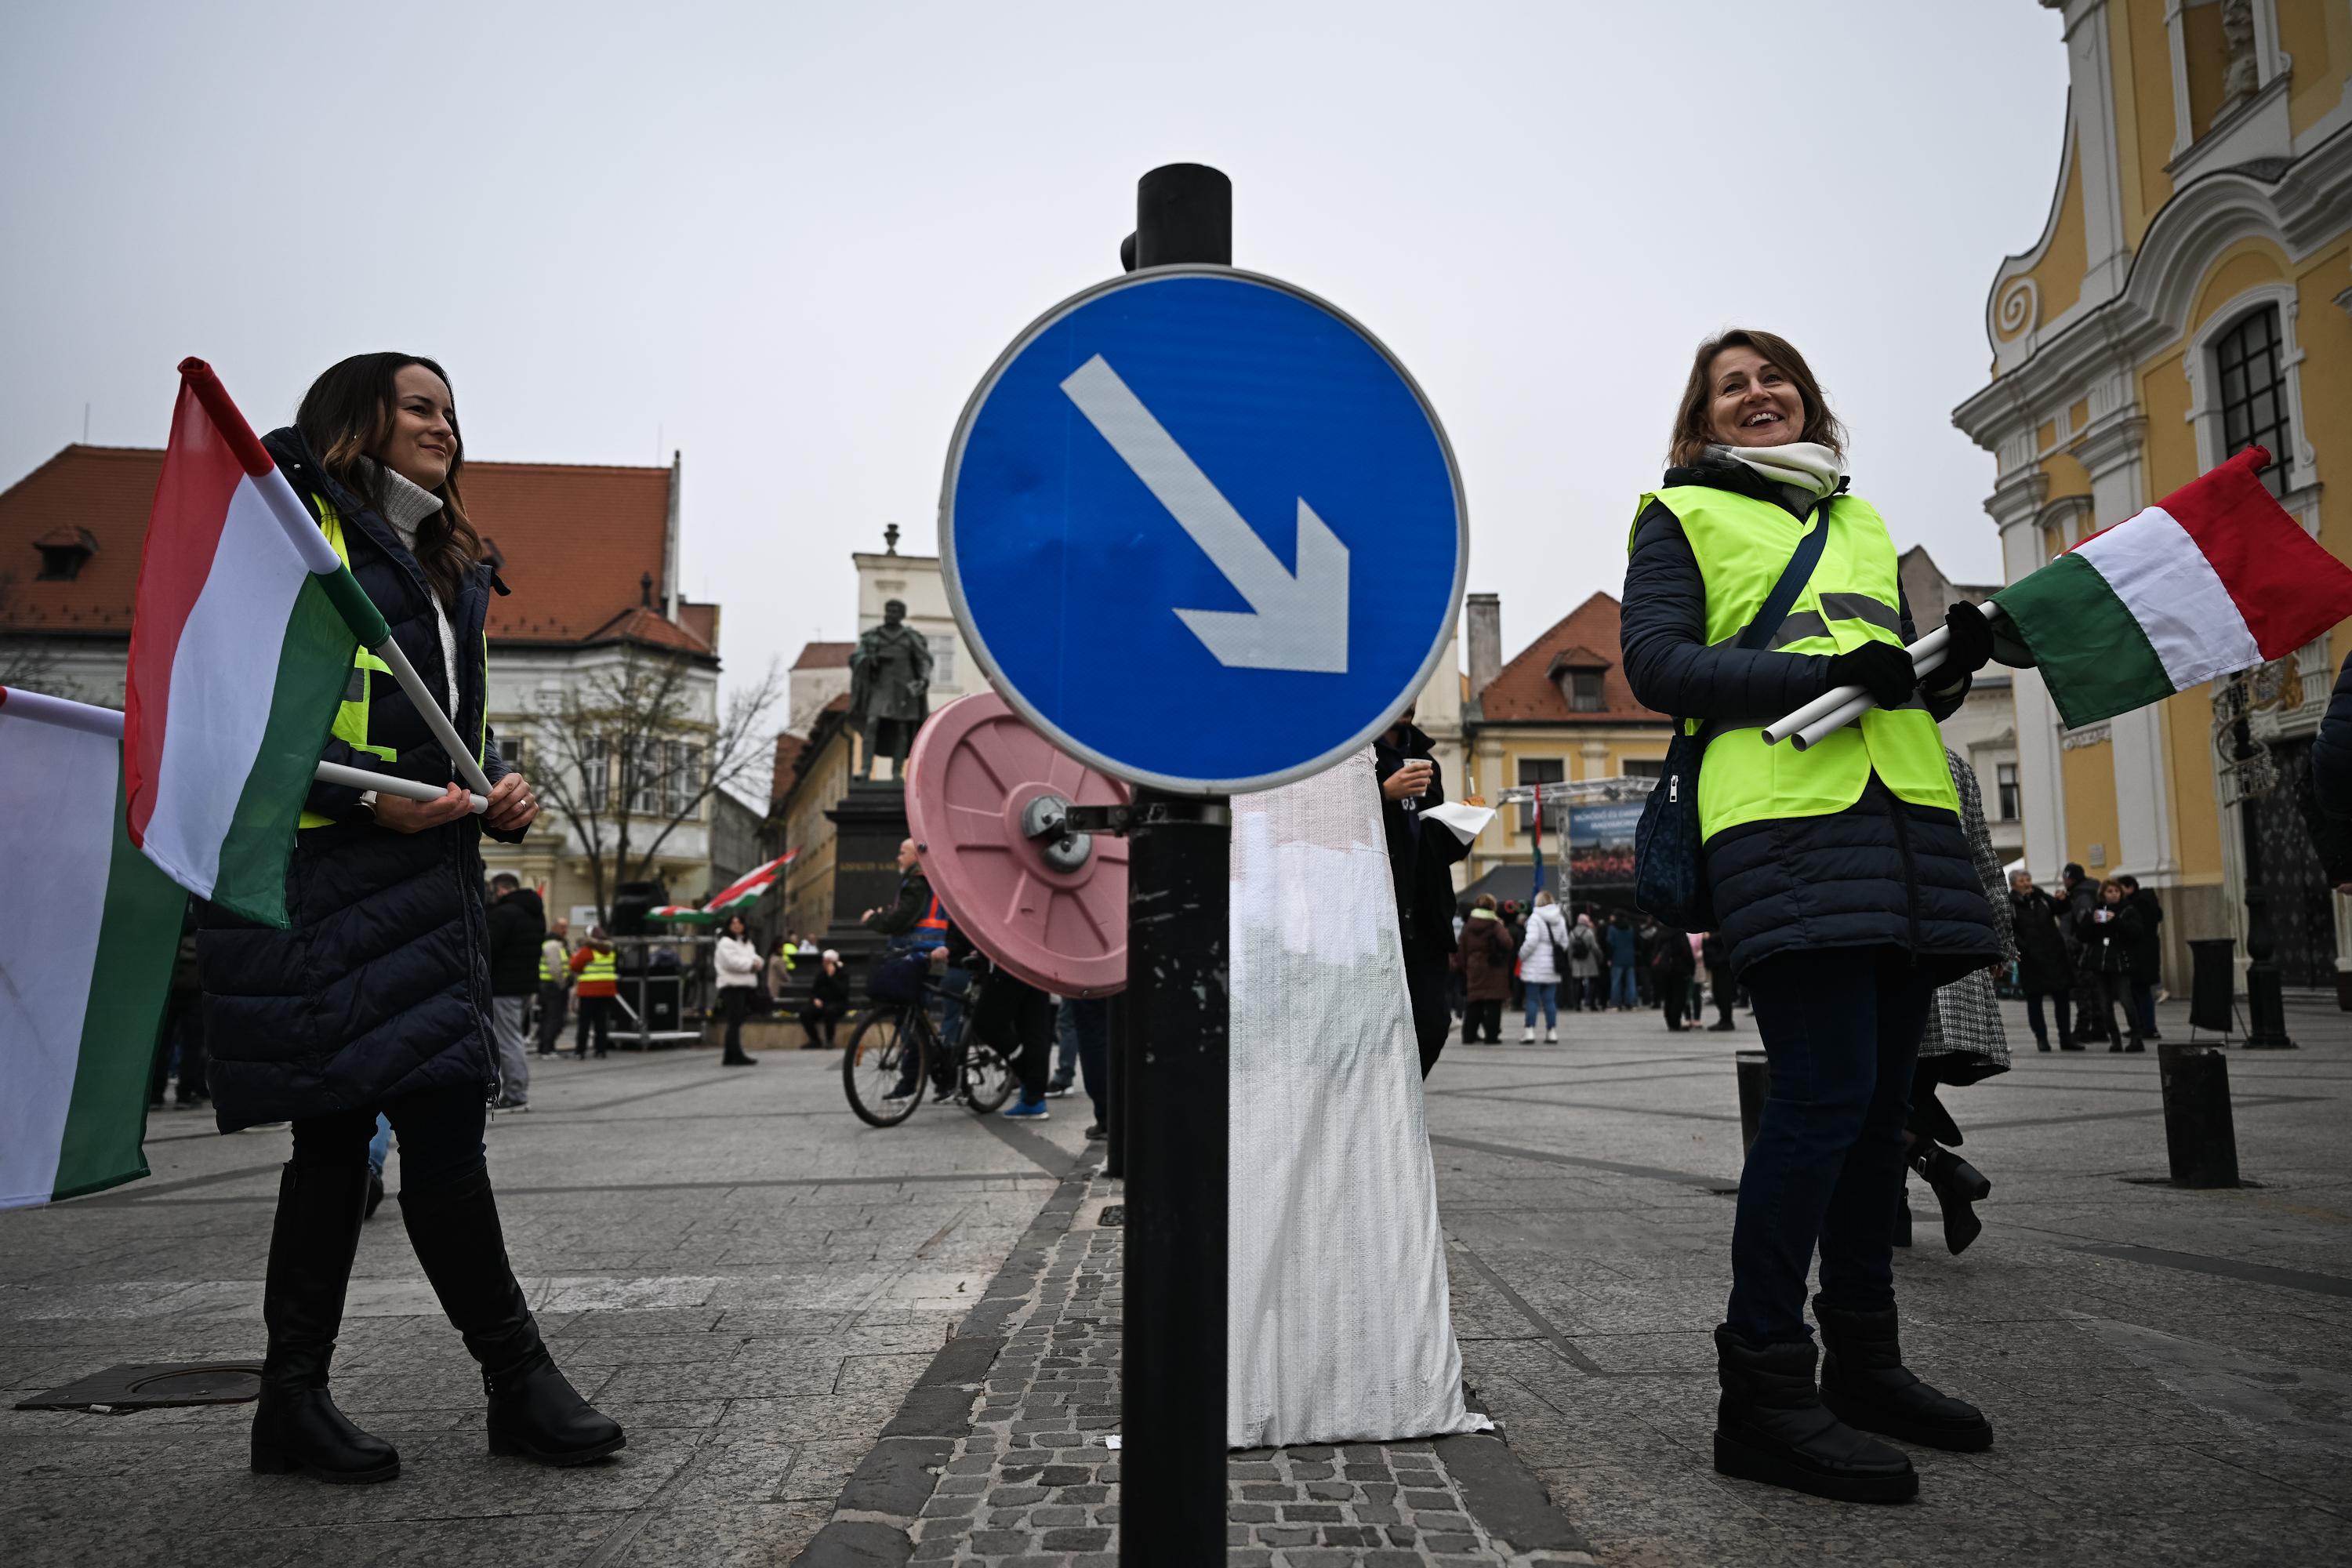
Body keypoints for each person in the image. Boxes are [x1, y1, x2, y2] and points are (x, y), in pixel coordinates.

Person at [198, 353, 621, 1485]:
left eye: (451, 411)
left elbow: (440, 728)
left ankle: (356, 1397)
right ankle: (473, 1385)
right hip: (325, 873)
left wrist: (493, 789)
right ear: (359, 419)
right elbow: (232, 716)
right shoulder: (297, 534)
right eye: (420, 407)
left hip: (426, 879)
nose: (445, 427)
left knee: (412, 1136)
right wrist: (361, 798)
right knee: (350, 1139)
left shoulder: (446, 559)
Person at [1620, 328, 1999, 1502]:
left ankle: (1866, 1362)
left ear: (1809, 399)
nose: (1758, 393)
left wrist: (1944, 665)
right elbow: (1660, 666)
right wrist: (1824, 674)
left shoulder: (1860, 518)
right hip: (1781, 821)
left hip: (1904, 821)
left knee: (1882, 1112)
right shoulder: (1679, 514)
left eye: (1773, 376)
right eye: (1731, 385)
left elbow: (1890, 676)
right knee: (1821, 1099)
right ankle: (1764, 1390)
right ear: (1703, 421)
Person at [1903, 752, 2013, 1256]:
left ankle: (1938, 1170)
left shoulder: (1844, 745)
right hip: (1955, 949)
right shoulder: (1952, 764)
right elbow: (1985, 860)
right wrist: (1999, 940)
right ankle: (1904, 1203)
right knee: (1905, 1092)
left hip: (1898, 943)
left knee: (1876, 1096)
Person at [1375, 704, 1474, 1075]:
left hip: (1425, 921)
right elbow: (1334, 822)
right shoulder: (1355, 756)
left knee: (1432, 1027)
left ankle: (1401, 1100)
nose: (1410, 702)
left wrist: (1464, 828)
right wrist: (1382, 794)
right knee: (1374, 1030)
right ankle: (1384, 1102)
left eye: (1415, 693)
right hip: (1376, 919)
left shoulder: (1426, 758)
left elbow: (1437, 848)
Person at [485, 873, 544, 1110]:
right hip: (526, 985)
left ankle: (516, 1092)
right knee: (514, 1037)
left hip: (504, 986)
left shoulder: (504, 914)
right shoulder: (535, 913)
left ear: (500, 889)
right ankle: (514, 1089)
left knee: (507, 1040)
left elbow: (488, 948)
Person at [2007, 872, 2074, 1051]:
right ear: (2013, 885)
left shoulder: (2041, 897)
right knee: (2034, 998)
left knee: (2062, 996)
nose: (2027, 883)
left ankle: (2066, 1038)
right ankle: (2041, 1038)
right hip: (2031, 959)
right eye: (2022, 881)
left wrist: (2063, 900)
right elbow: (2010, 931)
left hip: (2055, 955)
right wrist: (2026, 948)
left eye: (2028, 880)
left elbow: (2061, 909)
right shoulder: (2010, 905)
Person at [2078, 881, 2147, 1051]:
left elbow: (2137, 933)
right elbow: (2081, 934)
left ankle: (2136, 1037)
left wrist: (2116, 921)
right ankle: (2115, 1040)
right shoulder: (2094, 911)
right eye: (2110, 891)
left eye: (2117, 891)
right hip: (2099, 963)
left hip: (2121, 962)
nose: (2114, 894)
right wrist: (2093, 922)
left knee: (2126, 1000)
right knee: (2104, 1004)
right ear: (2103, 894)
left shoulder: (2129, 911)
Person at [1455, 895, 1512, 1044]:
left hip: (1474, 967)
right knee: (1494, 1003)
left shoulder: (1469, 926)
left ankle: (1468, 1036)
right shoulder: (1495, 924)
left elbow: (1462, 949)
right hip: (1494, 968)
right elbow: (1508, 943)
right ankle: (1491, 1037)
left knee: (1475, 1002)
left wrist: (1466, 967)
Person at [2114, 873, 2164, 1040]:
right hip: (2145, 951)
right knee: (2138, 989)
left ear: (2130, 888)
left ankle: (2147, 1026)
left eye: (2120, 889)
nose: (2117, 893)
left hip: (2141, 953)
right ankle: (2141, 1026)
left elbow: (2135, 929)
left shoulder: (2138, 904)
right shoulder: (2146, 901)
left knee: (2141, 990)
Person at [2062, 863, 2106, 1044]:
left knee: (2083, 992)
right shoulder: (2089, 891)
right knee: (2094, 990)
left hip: (2082, 951)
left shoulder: (2083, 896)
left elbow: (2086, 923)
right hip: (2091, 949)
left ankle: (2083, 1029)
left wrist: (2073, 944)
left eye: (2065, 878)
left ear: (2070, 879)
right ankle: (2099, 1028)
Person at [1517, 890, 1569, 1043]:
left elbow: (1531, 941)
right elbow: (1565, 942)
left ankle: (1530, 1032)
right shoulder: (1560, 919)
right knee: (1550, 1001)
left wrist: (1521, 955)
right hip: (1552, 965)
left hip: (1534, 965)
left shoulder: (1535, 918)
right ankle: (1551, 1032)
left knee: (1532, 1000)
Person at [712, 913, 762, 1067]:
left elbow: (756, 958)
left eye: (739, 922)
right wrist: (752, 965)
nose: (737, 925)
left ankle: (729, 1056)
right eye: (733, 923)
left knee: (737, 1021)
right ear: (728, 926)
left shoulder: (746, 942)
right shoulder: (725, 942)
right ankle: (736, 1054)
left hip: (743, 986)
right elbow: (732, 962)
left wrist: (757, 963)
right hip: (732, 986)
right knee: (735, 1021)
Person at [569, 927, 618, 1058]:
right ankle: (601, 1050)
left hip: (589, 991)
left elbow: (575, 966)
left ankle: (580, 1051)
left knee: (585, 1022)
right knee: (601, 1021)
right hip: (606, 990)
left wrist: (574, 956)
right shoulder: (610, 950)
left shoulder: (588, 950)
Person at [800, 949, 850, 1048]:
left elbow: (842, 992)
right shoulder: (821, 975)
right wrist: (815, 999)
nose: (825, 964)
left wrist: (831, 977)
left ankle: (830, 1040)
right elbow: (813, 991)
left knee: (830, 1011)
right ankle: (815, 1040)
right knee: (805, 1012)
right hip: (822, 1004)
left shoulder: (843, 974)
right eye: (824, 962)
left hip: (837, 1004)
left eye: (828, 962)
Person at [535, 917, 572, 1056]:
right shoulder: (553, 946)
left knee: (548, 1017)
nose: (565, 931)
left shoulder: (552, 944)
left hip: (547, 986)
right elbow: (555, 968)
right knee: (554, 1017)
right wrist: (562, 984)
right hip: (553, 987)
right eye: (562, 927)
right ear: (554, 927)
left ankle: (544, 1046)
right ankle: (548, 1048)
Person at [1651, 921, 1696, 1031]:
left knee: (1668, 996)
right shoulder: (1679, 932)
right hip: (1679, 968)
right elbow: (1686, 950)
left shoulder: (1660, 933)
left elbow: (1655, 951)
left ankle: (1670, 1022)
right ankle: (1676, 1022)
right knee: (1679, 996)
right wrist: (1692, 966)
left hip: (1664, 969)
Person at [1566, 912, 1602, 1012]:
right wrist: (1600, 956)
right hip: (1589, 960)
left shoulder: (1572, 933)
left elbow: (1570, 949)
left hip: (1576, 961)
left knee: (1577, 982)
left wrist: (1570, 962)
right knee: (1592, 982)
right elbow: (1595, 947)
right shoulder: (1589, 932)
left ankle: (1577, 1005)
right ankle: (1592, 1004)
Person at [1604, 910, 1639, 1011]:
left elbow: (1610, 944)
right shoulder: (1630, 928)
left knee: (1616, 982)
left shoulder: (1612, 929)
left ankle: (1615, 1003)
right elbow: (1636, 941)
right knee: (1631, 981)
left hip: (1617, 957)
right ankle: (1632, 1002)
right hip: (1630, 958)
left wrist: (1609, 958)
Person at [1702, 931, 1737, 1031]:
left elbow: (1725, 936)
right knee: (1719, 993)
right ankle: (1725, 1019)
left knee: (1723, 993)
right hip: (1718, 962)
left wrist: (1709, 937)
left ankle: (1726, 1020)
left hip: (1722, 962)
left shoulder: (1721, 929)